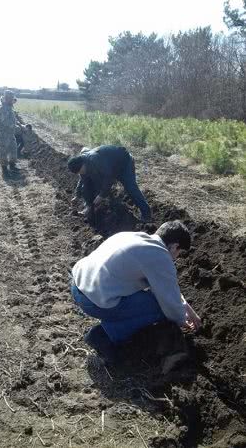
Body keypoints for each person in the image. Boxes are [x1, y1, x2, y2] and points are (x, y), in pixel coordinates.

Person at [70, 220, 201, 364]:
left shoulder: (133, 237)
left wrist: (186, 306)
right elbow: (169, 303)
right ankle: (102, 336)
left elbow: (166, 289)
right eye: (179, 253)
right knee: (160, 308)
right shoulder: (160, 256)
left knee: (152, 299)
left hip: (77, 287)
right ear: (175, 246)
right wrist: (182, 320)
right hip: (93, 302)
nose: (176, 258)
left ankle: (111, 325)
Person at [68, 145, 151, 222]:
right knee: (92, 184)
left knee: (131, 188)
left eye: (80, 171)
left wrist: (101, 195)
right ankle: (97, 208)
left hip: (124, 164)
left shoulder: (95, 159)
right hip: (110, 168)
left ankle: (146, 214)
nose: (81, 173)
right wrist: (77, 195)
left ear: (82, 164)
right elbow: (83, 181)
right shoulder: (83, 166)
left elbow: (109, 177)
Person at [0, 90, 20, 177]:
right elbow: (6, 122)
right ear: (7, 98)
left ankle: (12, 166)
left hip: (10, 133)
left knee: (13, 148)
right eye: (11, 99)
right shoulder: (2, 107)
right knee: (4, 150)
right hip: (3, 133)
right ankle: (4, 169)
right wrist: (17, 127)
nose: (12, 101)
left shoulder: (8, 105)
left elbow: (11, 116)